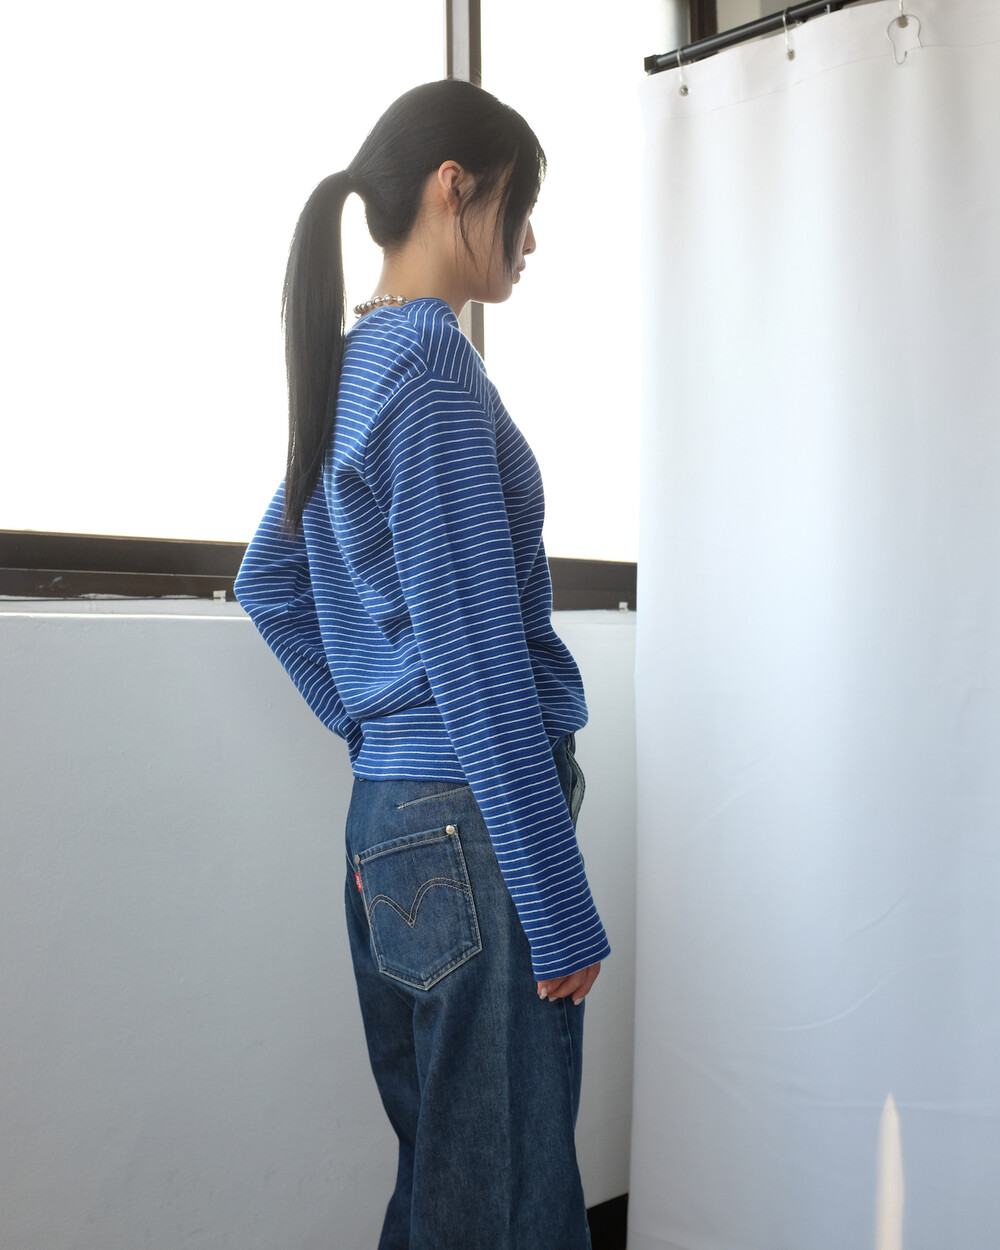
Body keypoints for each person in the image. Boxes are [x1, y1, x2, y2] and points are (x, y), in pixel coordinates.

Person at [234, 77, 610, 1250]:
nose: (530, 240)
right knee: (505, 1205)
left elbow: (267, 580)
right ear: (457, 188)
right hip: (470, 825)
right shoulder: (433, 367)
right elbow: (476, 655)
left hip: (392, 820)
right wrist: (558, 902)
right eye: (521, 207)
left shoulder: (353, 365)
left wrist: (373, 731)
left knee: (448, 1186)